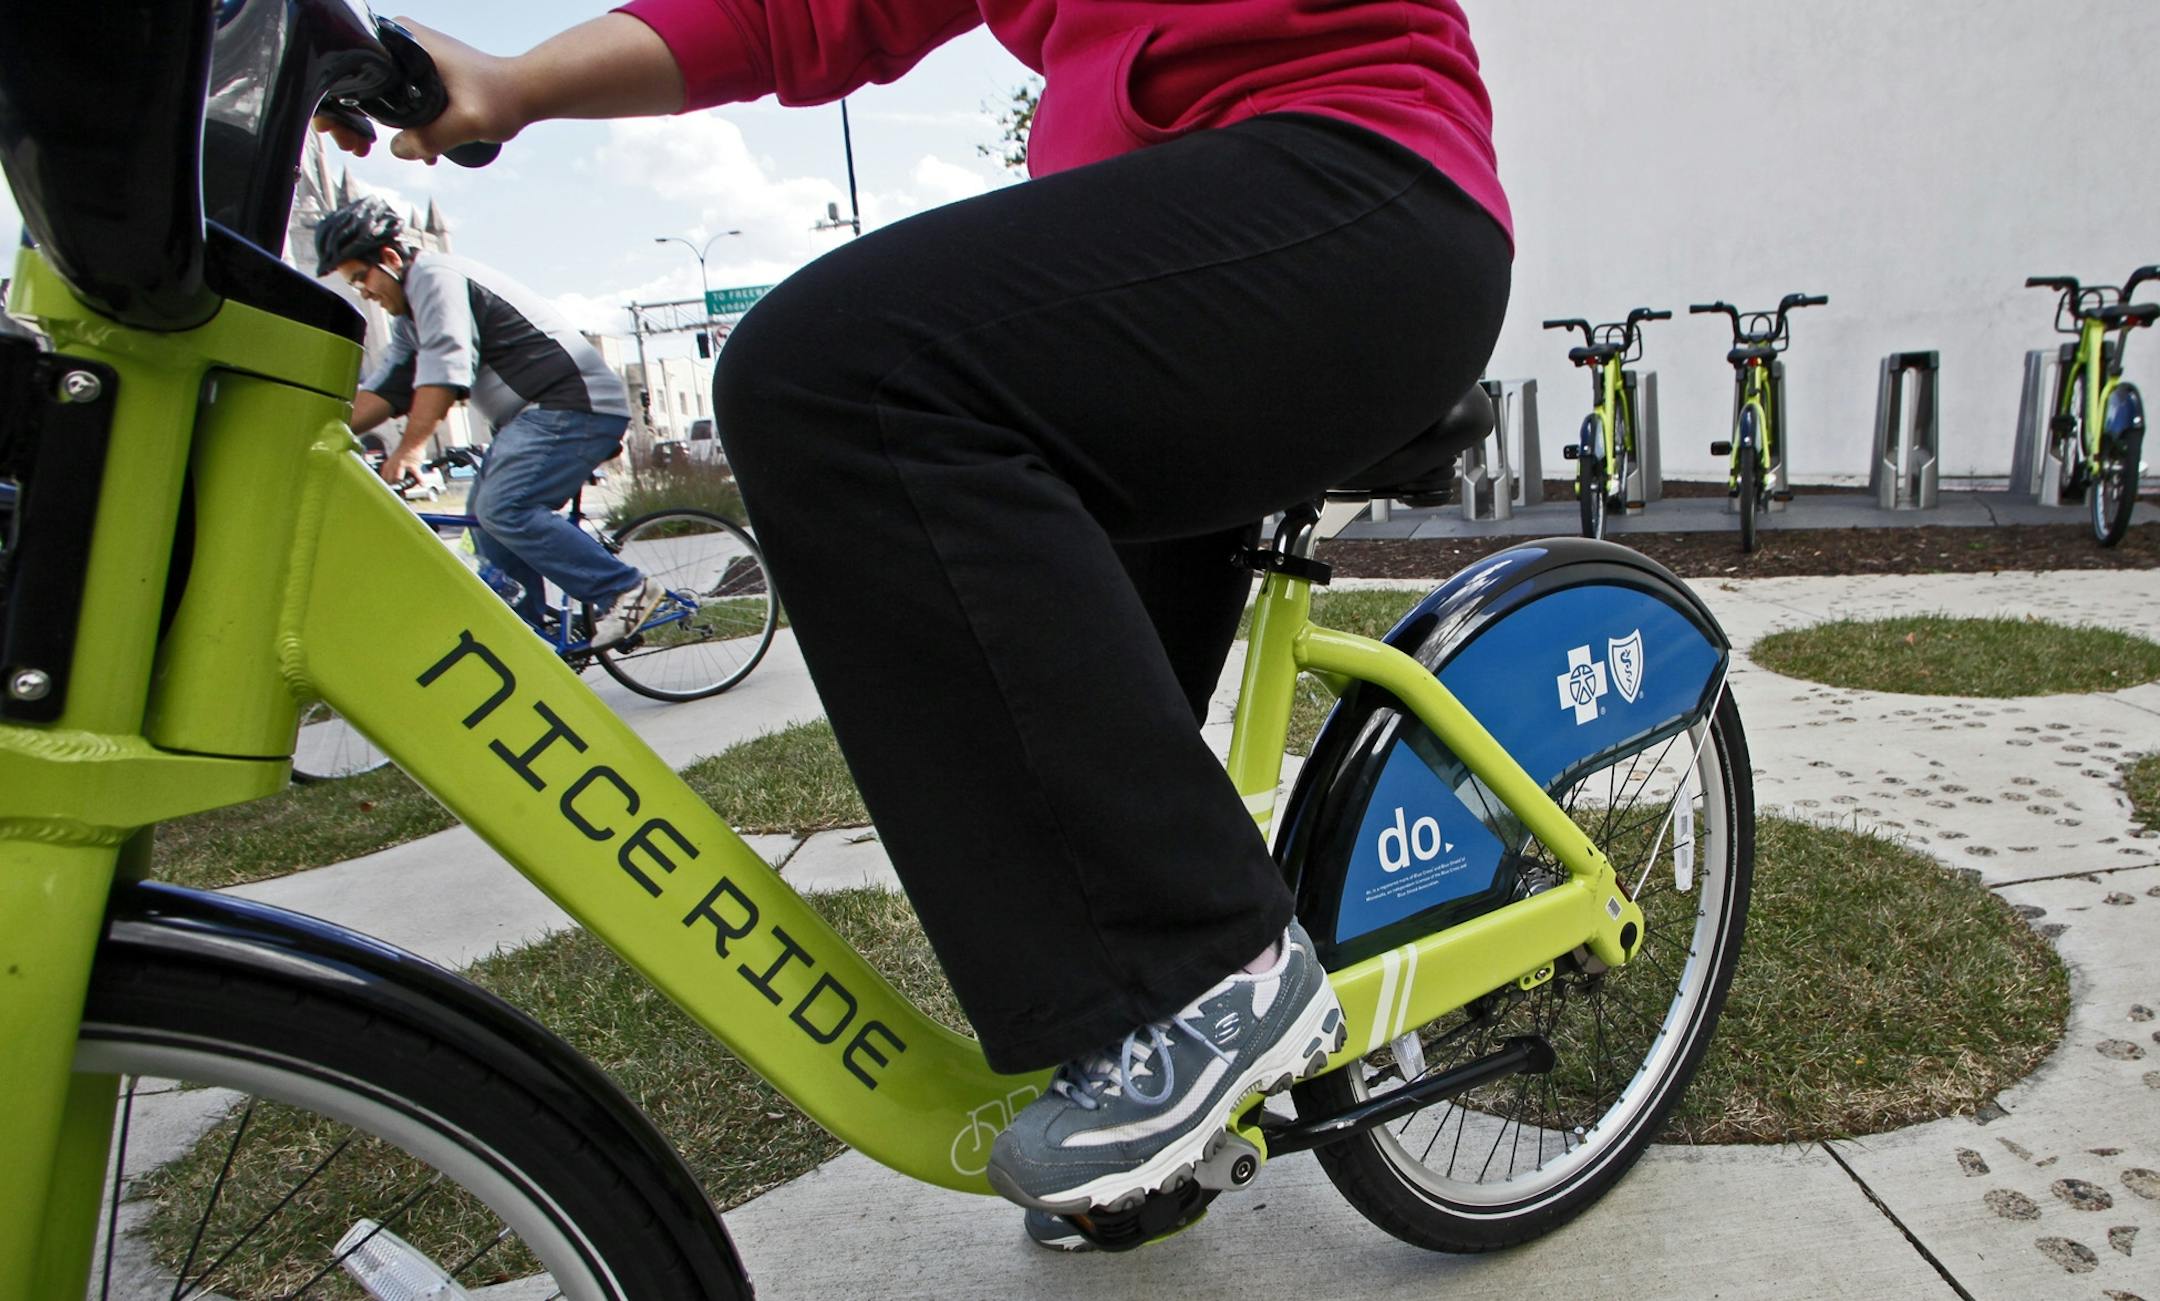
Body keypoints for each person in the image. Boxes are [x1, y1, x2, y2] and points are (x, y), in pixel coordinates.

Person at [337, 0, 1511, 1244]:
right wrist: (521, 84)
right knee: (1042, 723)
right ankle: (1149, 1059)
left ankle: (1209, 978)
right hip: (1173, 284)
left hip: (1361, 189)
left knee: (840, 374)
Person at [316, 196, 665, 648]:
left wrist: (410, 448)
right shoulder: (408, 319)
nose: (364, 292)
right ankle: (532, 641)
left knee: (504, 507)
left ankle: (625, 590)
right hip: (533, 418)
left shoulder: (433, 278)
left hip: (569, 404)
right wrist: (320, 429)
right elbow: (386, 388)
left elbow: (446, 366)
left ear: (389, 258)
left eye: (362, 278)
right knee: (485, 524)